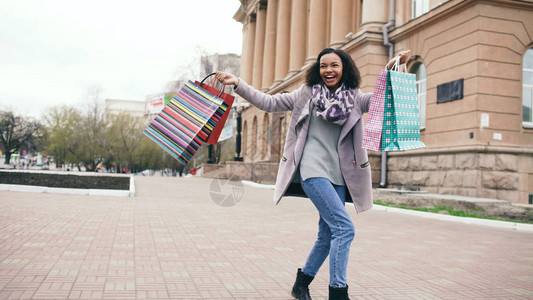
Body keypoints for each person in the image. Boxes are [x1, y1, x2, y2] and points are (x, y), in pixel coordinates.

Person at [216, 48, 410, 300]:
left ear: (345, 69)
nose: (328, 70)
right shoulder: (305, 94)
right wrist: (238, 84)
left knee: (328, 234)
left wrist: (392, 68)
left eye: (334, 65)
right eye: (323, 66)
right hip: (312, 170)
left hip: (340, 176)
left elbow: (382, 100)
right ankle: (338, 292)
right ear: (317, 70)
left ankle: (301, 284)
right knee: (344, 228)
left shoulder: (355, 98)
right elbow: (269, 102)